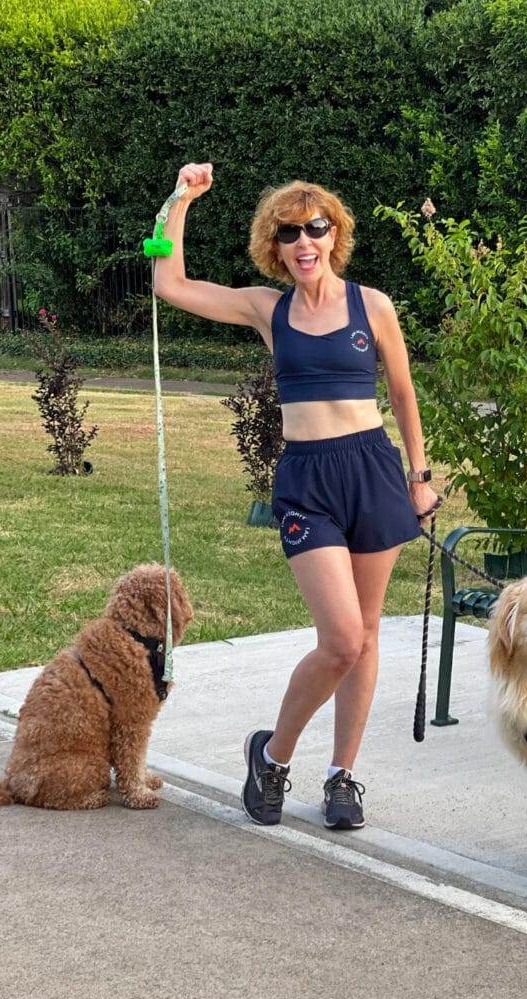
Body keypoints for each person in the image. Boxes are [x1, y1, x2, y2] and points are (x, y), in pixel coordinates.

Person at [155, 163, 441, 829]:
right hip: (308, 480)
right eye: (290, 232)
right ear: (275, 245)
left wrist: (419, 476)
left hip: (371, 470)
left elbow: (401, 392)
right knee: (340, 637)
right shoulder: (267, 307)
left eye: (317, 228)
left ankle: (343, 775)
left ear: (334, 235)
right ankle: (274, 756)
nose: (304, 241)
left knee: (364, 636)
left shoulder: (373, 307)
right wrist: (180, 201)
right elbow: (171, 283)